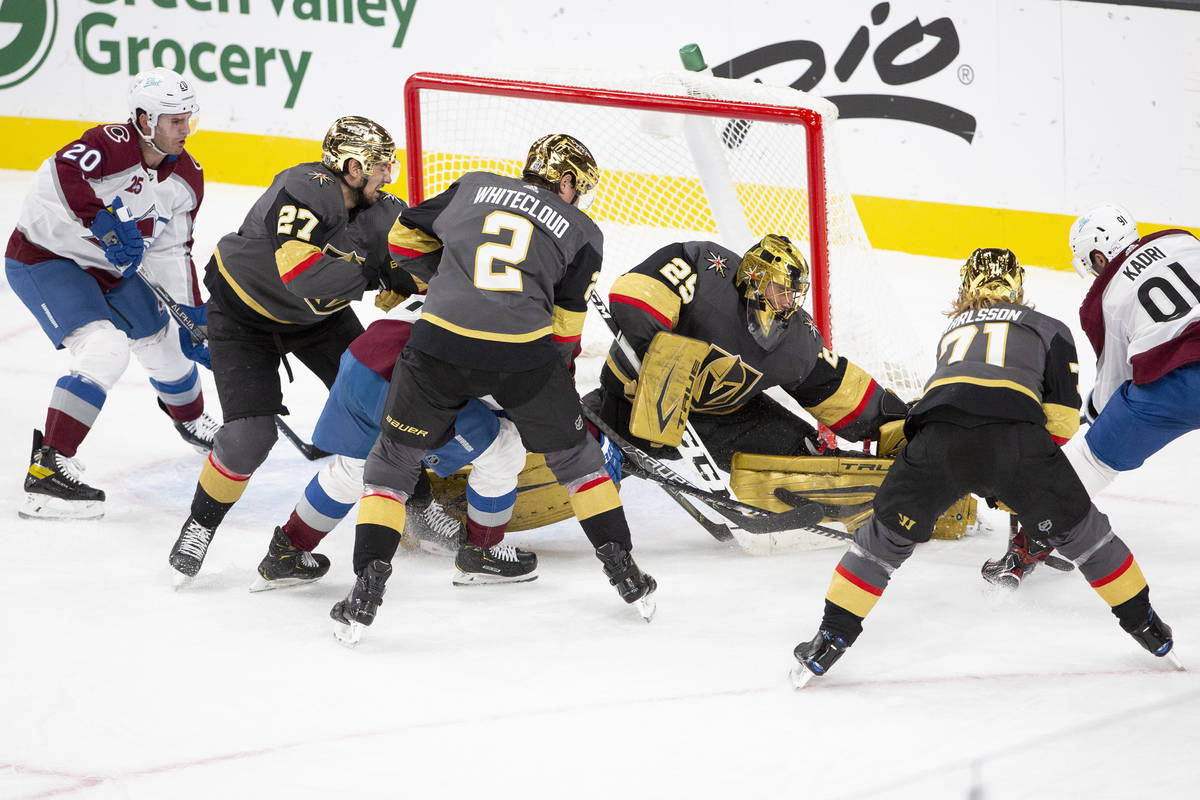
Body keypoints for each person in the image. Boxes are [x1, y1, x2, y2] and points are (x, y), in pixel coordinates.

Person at [791, 248, 1176, 687]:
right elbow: (1063, 424)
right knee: (1088, 536)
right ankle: (1148, 628)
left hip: (935, 442)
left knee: (879, 546)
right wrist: (1019, 480)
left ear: (965, 287)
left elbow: (954, 399)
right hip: (1016, 442)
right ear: (1019, 287)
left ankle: (828, 642)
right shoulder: (1050, 328)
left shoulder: (950, 331)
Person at [327, 133, 657, 644]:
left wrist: (452, 279)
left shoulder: (473, 186)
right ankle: (625, 573)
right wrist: (556, 385)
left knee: (392, 463)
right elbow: (567, 331)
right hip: (522, 356)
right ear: (565, 180)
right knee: (579, 463)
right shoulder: (584, 231)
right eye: (579, 187)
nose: (579, 196)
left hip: (438, 345)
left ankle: (365, 587)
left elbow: (402, 242)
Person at [167, 115, 410, 584]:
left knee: (393, 402)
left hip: (318, 322)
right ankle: (199, 526)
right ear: (353, 167)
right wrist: (377, 275)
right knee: (250, 438)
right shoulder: (306, 187)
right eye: (381, 167)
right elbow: (302, 276)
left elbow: (421, 254)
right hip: (243, 319)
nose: (388, 176)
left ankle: (417, 506)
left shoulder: (383, 209)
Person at [5, 67, 218, 521]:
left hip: (115, 270)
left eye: (187, 119)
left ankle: (191, 419)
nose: (185, 130)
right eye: (173, 120)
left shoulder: (187, 179)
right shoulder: (110, 144)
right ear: (144, 119)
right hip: (47, 258)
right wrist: (97, 219)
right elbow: (60, 173)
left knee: (166, 339)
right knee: (104, 349)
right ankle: (48, 472)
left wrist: (191, 314)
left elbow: (172, 248)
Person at [982, 204, 1200, 587]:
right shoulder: (1183, 241)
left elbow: (1117, 379)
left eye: (1092, 264)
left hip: (1174, 387)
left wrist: (1093, 413)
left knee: (1091, 464)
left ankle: (1023, 552)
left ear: (1100, 256)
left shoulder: (1106, 298)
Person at [251, 317, 534, 591]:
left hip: (361, 359)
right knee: (504, 449)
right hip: (410, 376)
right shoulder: (525, 319)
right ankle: (483, 553)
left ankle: (286, 551)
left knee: (354, 469)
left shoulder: (459, 280)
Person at [586, 235, 909, 471]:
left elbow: (835, 386)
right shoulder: (704, 268)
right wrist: (654, 370)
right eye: (781, 290)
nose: (788, 302)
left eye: (793, 294)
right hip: (628, 402)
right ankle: (572, 451)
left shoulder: (796, 339)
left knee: (803, 452)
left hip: (719, 423)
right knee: (572, 434)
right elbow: (635, 296)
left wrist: (891, 421)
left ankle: (847, 489)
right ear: (755, 276)